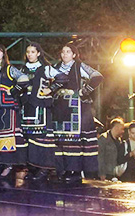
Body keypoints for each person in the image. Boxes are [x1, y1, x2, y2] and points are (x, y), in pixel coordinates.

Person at [52, 43, 103, 183]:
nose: (64, 54)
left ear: (74, 54)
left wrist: (83, 92)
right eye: (63, 51)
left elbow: (97, 77)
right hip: (60, 106)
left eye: (68, 52)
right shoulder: (55, 67)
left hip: (77, 107)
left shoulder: (79, 66)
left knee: (74, 139)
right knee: (60, 138)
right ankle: (61, 169)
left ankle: (74, 170)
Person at [17, 42, 64, 182]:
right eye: (28, 52)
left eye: (33, 52)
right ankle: (33, 168)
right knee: (29, 138)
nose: (30, 54)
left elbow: (62, 77)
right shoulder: (23, 69)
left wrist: (50, 89)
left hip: (41, 107)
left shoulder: (45, 68)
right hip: (27, 107)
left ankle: (44, 168)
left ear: (38, 53)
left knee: (42, 138)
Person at [0, 44, 28, 182]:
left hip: (6, 106)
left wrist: (13, 90)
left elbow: (24, 79)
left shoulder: (9, 69)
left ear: (3, 54)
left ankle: (8, 164)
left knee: (6, 135)